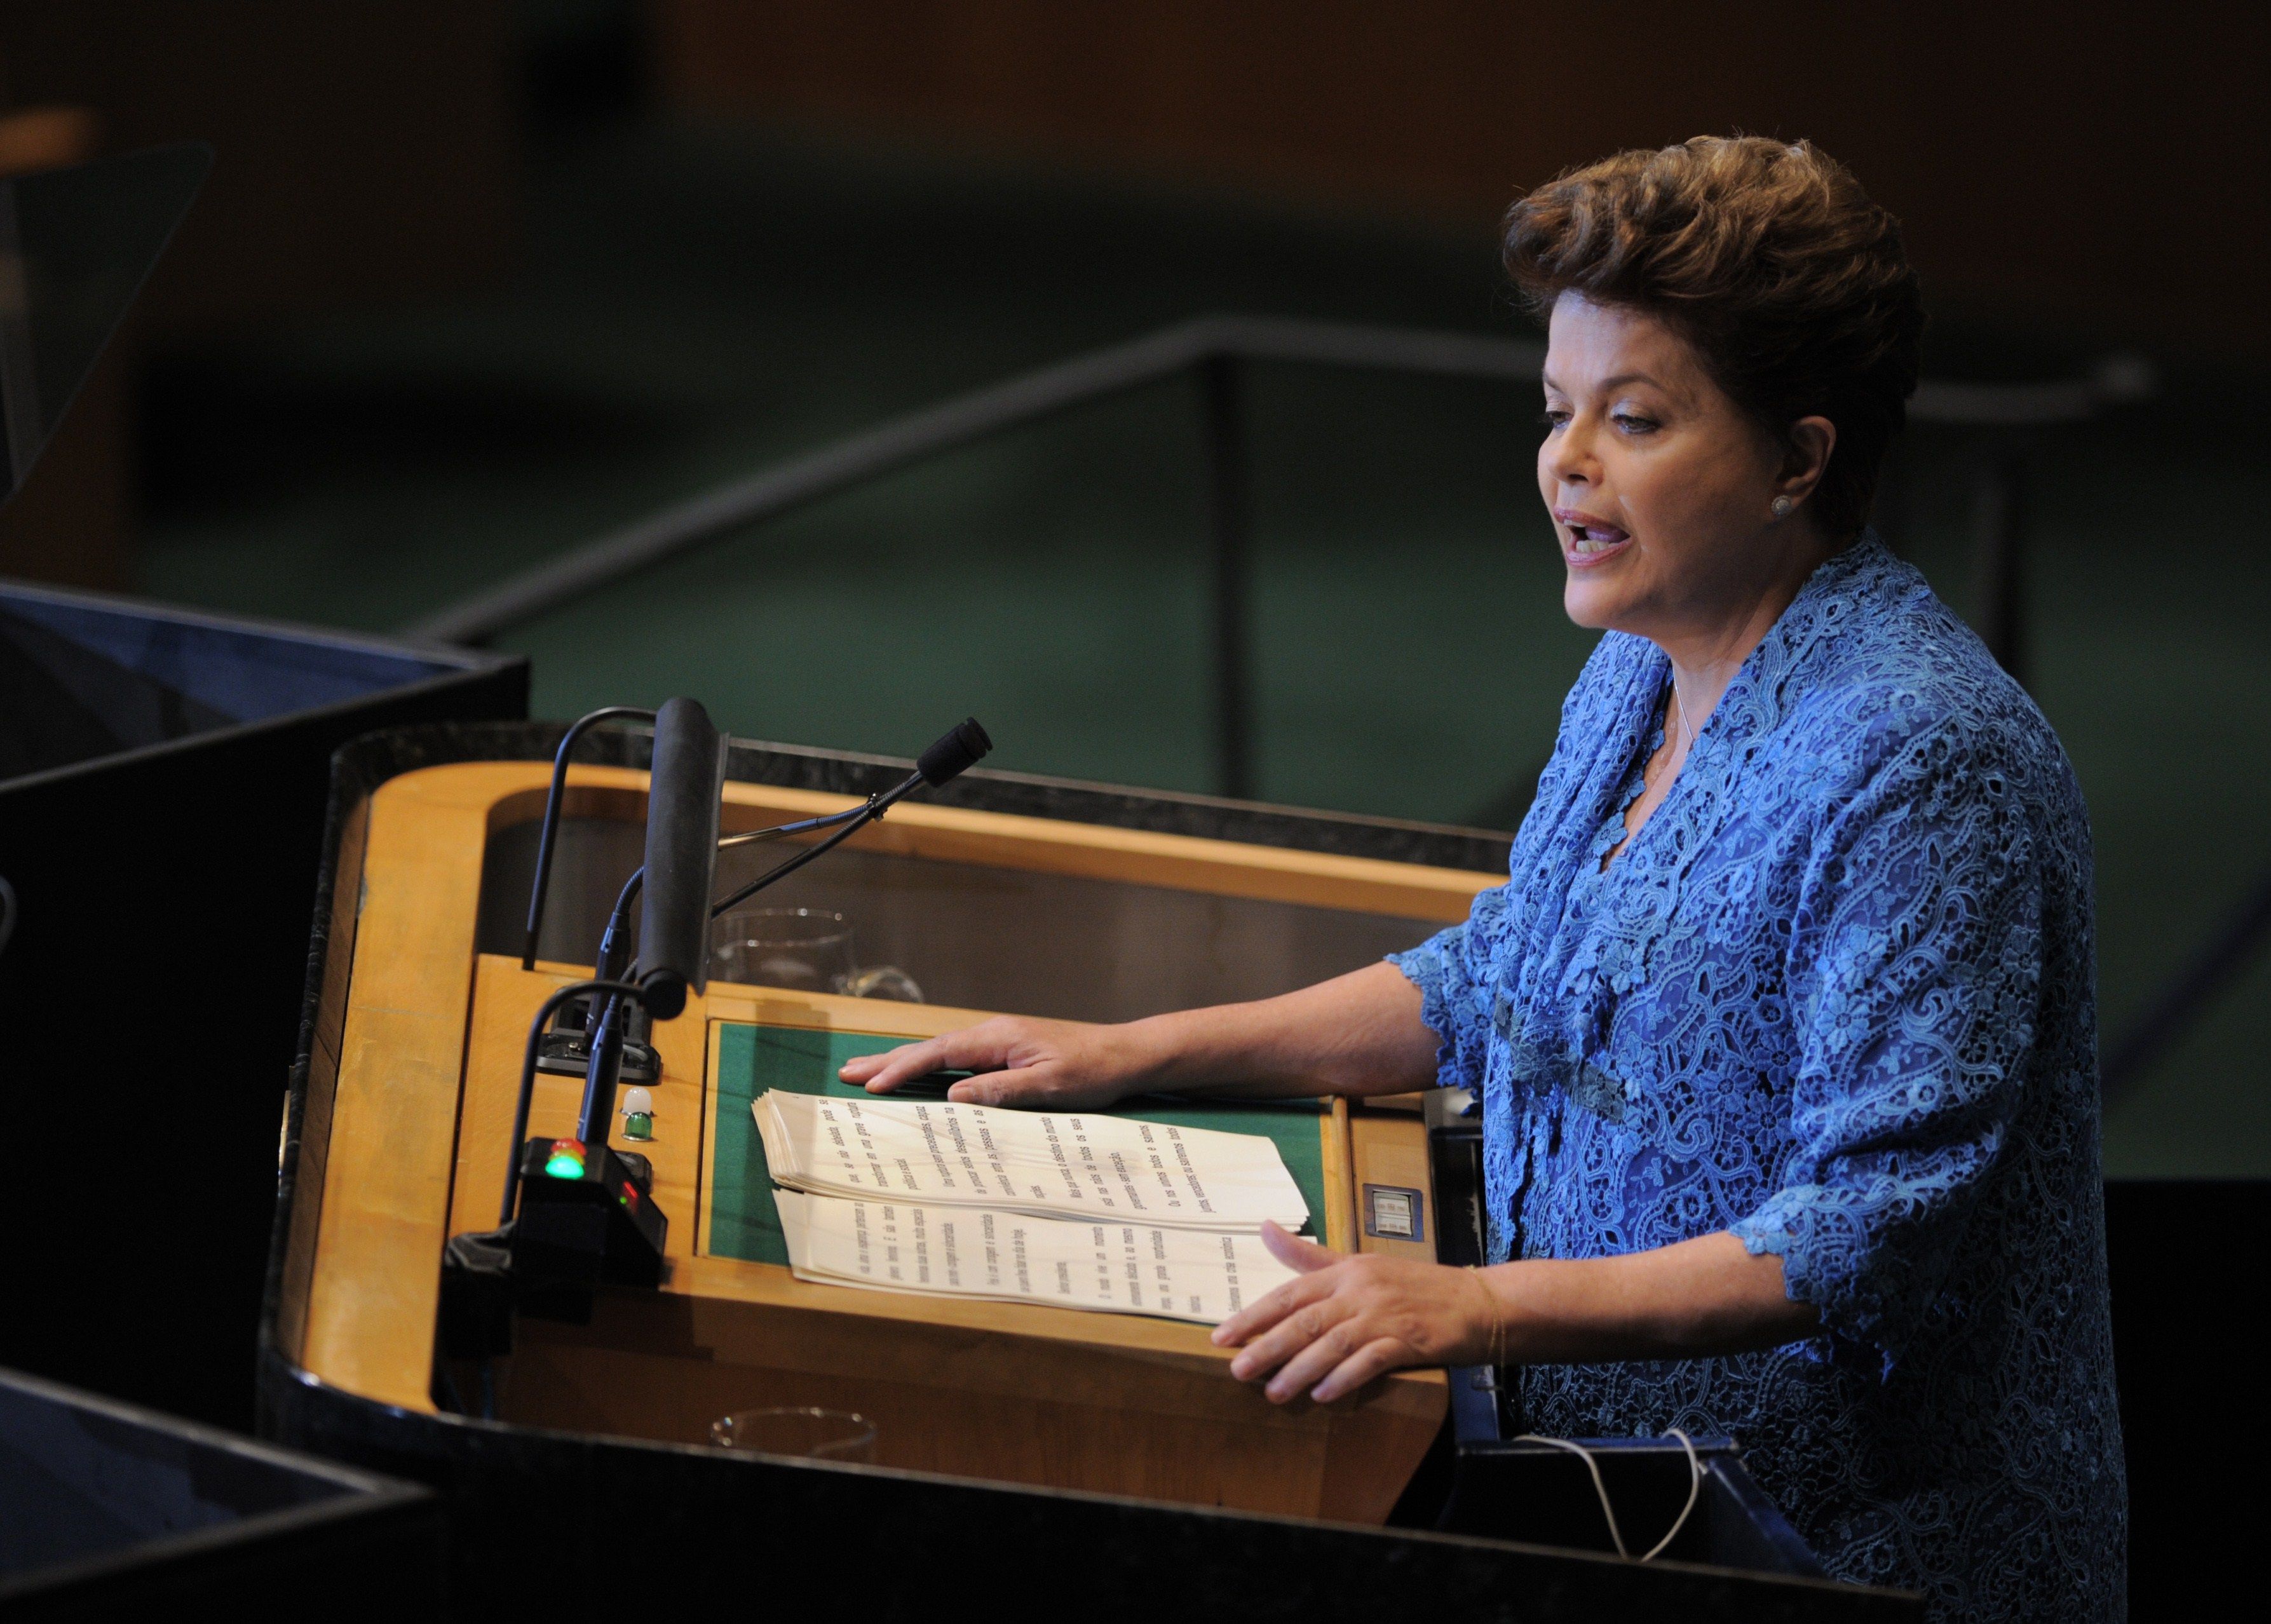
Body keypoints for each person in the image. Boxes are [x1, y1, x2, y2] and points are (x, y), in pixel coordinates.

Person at [841, 137, 2124, 1620]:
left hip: (1847, 1556)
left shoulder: (1922, 760)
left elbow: (1873, 1227)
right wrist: (1135, 1051)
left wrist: (1469, 1308)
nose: (1565, 465)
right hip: (1605, 1480)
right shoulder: (1632, 664)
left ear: (1798, 458)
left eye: (1632, 420)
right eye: (1554, 412)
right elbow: (1504, 970)